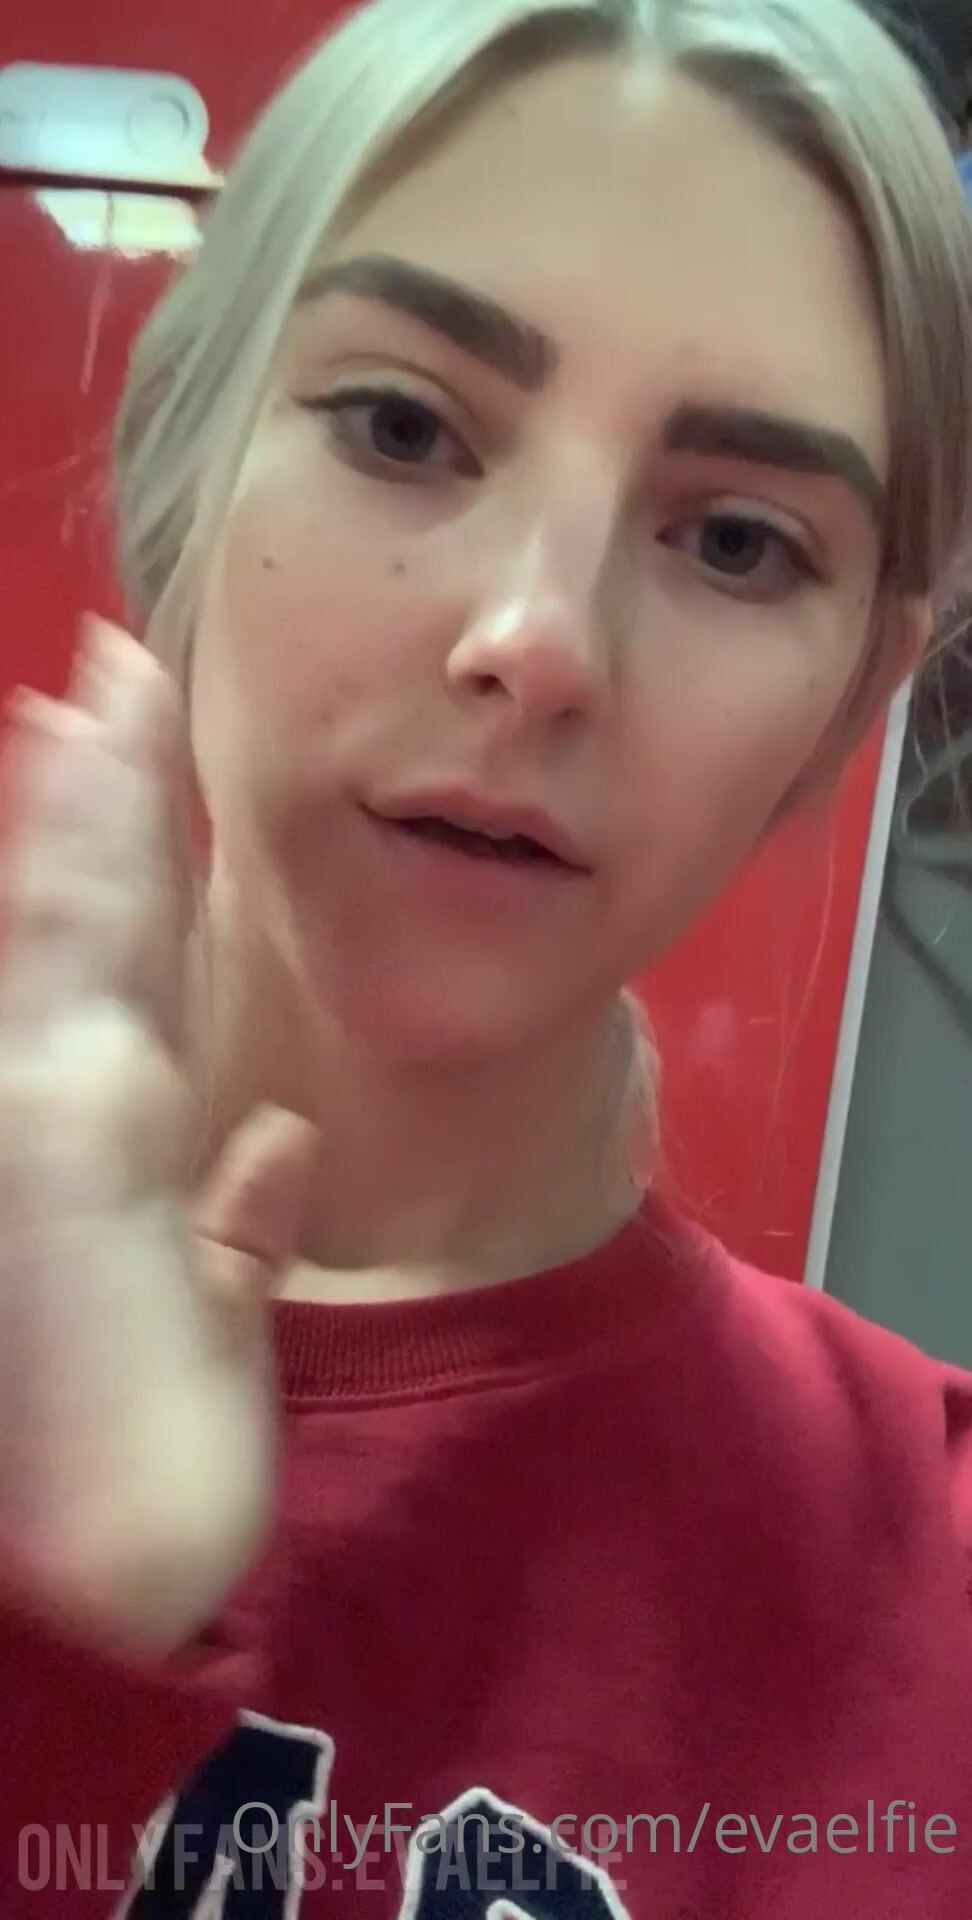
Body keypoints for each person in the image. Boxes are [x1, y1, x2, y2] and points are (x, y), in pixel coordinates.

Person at [2, 0, 972, 1913]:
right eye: (402, 425)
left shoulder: (931, 1587)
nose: (538, 643)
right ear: (191, 448)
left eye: (738, 543)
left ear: (854, 692)